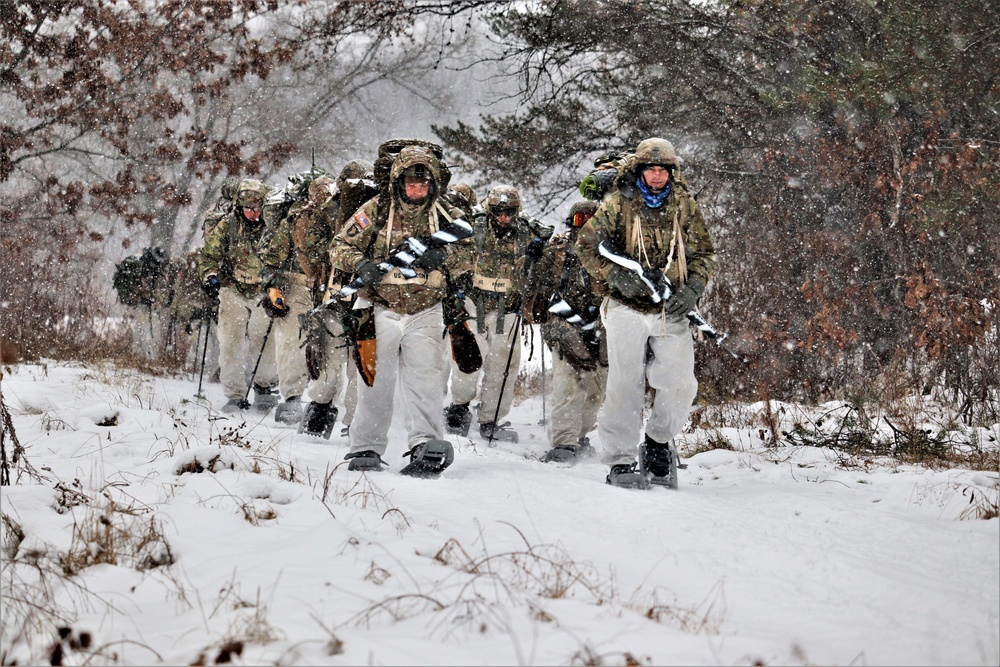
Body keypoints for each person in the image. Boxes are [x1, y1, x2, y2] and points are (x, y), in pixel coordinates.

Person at [575, 138, 716, 488]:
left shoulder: (684, 205)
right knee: (624, 383)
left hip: (670, 306)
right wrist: (618, 277)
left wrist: (692, 290)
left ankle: (657, 441)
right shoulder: (619, 204)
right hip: (626, 306)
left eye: (662, 170)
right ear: (640, 170)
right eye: (650, 169)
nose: (656, 176)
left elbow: (704, 254)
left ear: (672, 172)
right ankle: (620, 459)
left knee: (680, 382)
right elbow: (586, 247)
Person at [329, 143, 474, 476]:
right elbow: (339, 245)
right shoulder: (376, 209)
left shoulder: (446, 214)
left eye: (423, 183)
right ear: (398, 181)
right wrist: (361, 262)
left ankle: (426, 443)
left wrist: (446, 257)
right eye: (411, 182)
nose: (417, 189)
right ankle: (365, 445)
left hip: (426, 307)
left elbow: (470, 250)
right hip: (378, 306)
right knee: (375, 380)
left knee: (426, 379)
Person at [443, 185, 549, 443]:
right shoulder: (474, 225)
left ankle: (491, 418)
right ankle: (459, 406)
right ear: (491, 210)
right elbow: (451, 251)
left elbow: (548, 235)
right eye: (499, 212)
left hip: (509, 306)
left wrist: (538, 249)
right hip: (473, 301)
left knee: (504, 364)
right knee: (468, 357)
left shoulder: (525, 229)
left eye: (510, 212)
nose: (504, 218)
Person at [281, 160, 376, 438]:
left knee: (334, 362)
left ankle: (325, 416)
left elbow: (311, 250)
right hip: (350, 297)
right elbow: (313, 249)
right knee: (353, 363)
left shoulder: (336, 211)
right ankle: (350, 422)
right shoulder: (369, 212)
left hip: (336, 296)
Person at [529, 200, 608, 463]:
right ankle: (564, 441)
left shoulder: (611, 252)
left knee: (598, 388)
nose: (584, 225)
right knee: (568, 384)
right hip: (564, 324)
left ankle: (581, 434)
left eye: (590, 219)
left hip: (602, 326)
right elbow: (532, 283)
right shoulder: (558, 252)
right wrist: (533, 256)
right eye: (579, 220)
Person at [200, 178, 280, 414]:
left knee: (263, 339)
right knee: (230, 341)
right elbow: (209, 255)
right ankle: (234, 394)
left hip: (262, 290)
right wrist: (210, 276)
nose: (252, 213)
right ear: (239, 207)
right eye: (247, 208)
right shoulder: (227, 225)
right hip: (233, 288)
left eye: (257, 208)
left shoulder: (272, 227)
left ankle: (264, 385)